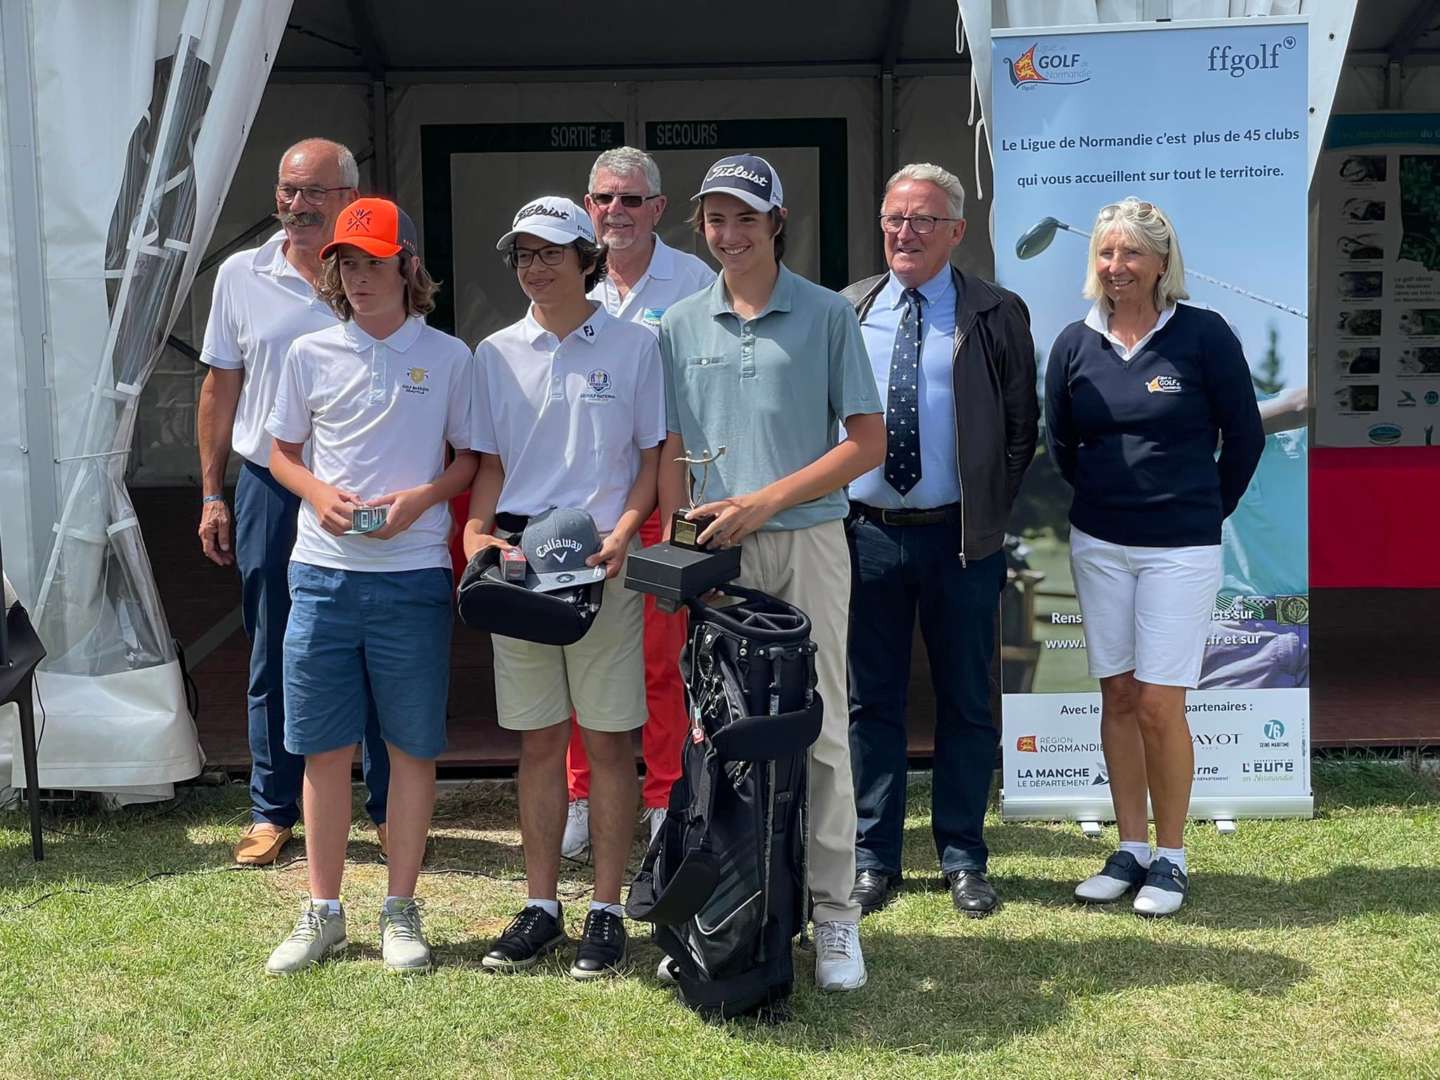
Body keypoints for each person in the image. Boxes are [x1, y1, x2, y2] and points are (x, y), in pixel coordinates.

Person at [658, 154, 885, 991]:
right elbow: (675, 454)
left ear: (777, 220)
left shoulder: (827, 314)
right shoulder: (678, 323)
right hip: (719, 555)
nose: (730, 234)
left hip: (811, 545)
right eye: (716, 220)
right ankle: (728, 909)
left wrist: (764, 501)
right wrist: (687, 549)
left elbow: (865, 442)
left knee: (820, 733)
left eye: (745, 218)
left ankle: (833, 919)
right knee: (716, 732)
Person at [262, 198, 476, 974]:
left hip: (413, 573)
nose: (357, 278)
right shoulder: (308, 352)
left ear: (405, 266)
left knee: (410, 749)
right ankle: (322, 911)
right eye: (346, 264)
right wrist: (317, 495)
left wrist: (420, 501)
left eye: (371, 262)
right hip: (321, 576)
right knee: (323, 748)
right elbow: (281, 452)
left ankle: (400, 909)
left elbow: (468, 459)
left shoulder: (450, 356)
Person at [1044, 197, 1263, 917]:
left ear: (1163, 263)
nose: (1117, 267)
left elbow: (1246, 438)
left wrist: (1201, 510)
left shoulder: (1203, 335)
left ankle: (1171, 857)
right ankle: (1130, 847)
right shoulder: (1075, 342)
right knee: (1119, 696)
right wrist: (1112, 506)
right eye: (1107, 254)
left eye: (1132, 253)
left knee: (1162, 706)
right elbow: (1063, 445)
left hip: (1181, 550)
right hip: (1100, 545)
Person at [465, 196, 663, 980]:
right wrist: (477, 534)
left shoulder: (637, 344)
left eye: (549, 252)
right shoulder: (493, 351)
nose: (534, 266)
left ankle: (606, 908)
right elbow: (488, 464)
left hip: (599, 557)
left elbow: (650, 460)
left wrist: (625, 533)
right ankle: (542, 905)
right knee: (540, 740)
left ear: (586, 258)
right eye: (522, 254)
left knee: (610, 742)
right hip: (520, 559)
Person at [841, 163, 1038, 919]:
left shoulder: (994, 311)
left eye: (923, 220)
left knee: (966, 702)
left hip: (961, 541)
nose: (905, 233)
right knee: (871, 703)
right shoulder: (850, 310)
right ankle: (872, 858)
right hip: (866, 538)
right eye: (894, 218)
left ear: (956, 231)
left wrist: (984, 511)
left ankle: (964, 856)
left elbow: (1022, 429)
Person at [197, 138, 391, 867]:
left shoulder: (378, 268)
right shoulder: (241, 276)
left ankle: (383, 806)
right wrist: (214, 492)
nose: (298, 206)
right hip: (272, 487)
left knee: (376, 641)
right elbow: (220, 389)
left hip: (365, 486)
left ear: (350, 196)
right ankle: (272, 810)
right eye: (287, 191)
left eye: (314, 192)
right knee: (276, 643)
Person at [556, 148, 715, 860]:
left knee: (660, 662)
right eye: (603, 199)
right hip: (578, 505)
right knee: (576, 655)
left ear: (657, 208)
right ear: (587, 207)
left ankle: (663, 799)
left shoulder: (695, 280)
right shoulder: (564, 272)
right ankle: (584, 795)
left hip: (661, 496)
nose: (614, 212)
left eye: (630, 200)